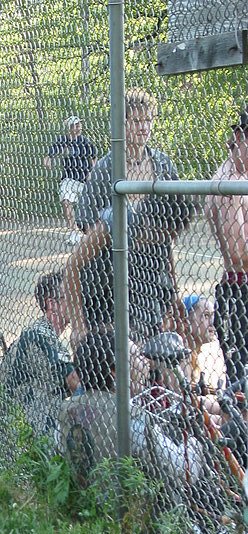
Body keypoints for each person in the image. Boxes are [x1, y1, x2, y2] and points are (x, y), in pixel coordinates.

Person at [64, 89, 188, 348]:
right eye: (136, 121)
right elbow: (88, 233)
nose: (144, 127)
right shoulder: (105, 170)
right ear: (122, 123)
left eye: (148, 120)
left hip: (152, 278)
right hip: (112, 279)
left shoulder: (163, 166)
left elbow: (167, 238)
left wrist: (174, 290)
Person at [58, 331, 202, 487]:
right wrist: (196, 440)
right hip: (123, 506)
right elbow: (184, 472)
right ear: (115, 371)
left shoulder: (65, 409)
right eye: (136, 358)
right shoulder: (133, 419)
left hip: (82, 499)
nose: (146, 363)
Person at [0, 271, 80, 436]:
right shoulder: (40, 335)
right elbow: (76, 383)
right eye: (70, 296)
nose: (76, 301)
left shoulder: (43, 332)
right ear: (52, 304)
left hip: (14, 426)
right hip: (9, 431)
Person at [205, 109, 248, 386]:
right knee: (241, 385)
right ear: (239, 138)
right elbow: (237, 253)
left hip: (236, 291)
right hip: (241, 294)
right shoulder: (231, 182)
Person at [44, 116, 97, 245]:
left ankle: (90, 233)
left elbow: (94, 157)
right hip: (68, 178)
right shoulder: (63, 140)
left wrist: (92, 172)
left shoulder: (85, 141)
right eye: (75, 125)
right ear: (70, 128)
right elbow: (49, 154)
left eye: (79, 125)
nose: (79, 127)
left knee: (87, 208)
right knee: (66, 201)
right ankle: (74, 232)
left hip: (83, 179)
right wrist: (48, 161)